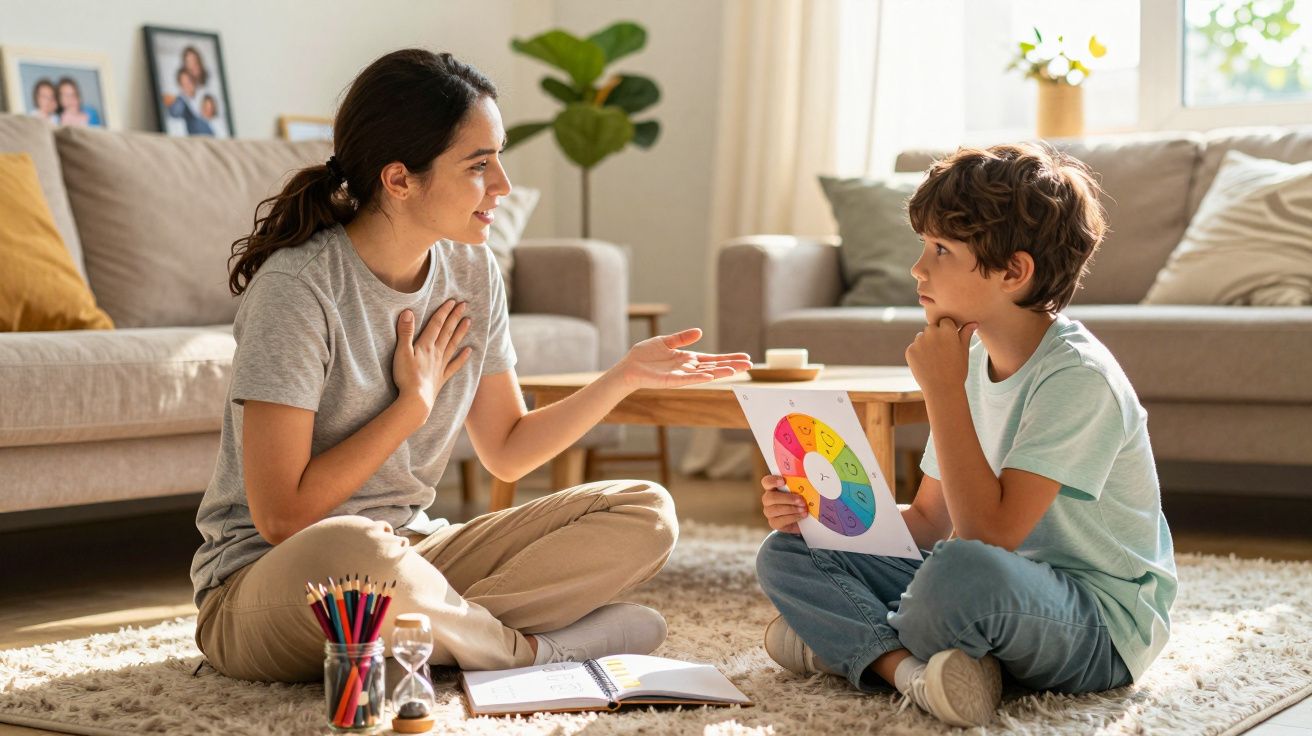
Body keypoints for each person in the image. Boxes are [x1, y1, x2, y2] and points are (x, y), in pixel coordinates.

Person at [190, 48, 752, 683]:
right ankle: (531, 652)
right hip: (270, 582)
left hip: (414, 557)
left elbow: (508, 450)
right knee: (354, 549)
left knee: (644, 510)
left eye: (500, 157)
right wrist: (412, 407)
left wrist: (622, 378)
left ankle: (440, 633)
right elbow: (282, 516)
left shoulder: (470, 270)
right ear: (399, 179)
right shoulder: (298, 289)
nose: (504, 186)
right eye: (479, 165)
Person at [754, 142, 1176, 727]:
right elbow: (929, 523)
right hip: (994, 588)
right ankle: (908, 671)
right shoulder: (973, 358)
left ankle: (843, 645)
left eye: (941, 249)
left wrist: (942, 392)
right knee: (788, 553)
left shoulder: (1078, 378)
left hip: (1096, 627)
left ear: (1014, 271)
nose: (918, 268)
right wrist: (822, 518)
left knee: (959, 573)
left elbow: (988, 536)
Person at [166, 69, 213, 136]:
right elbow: (175, 112)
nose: (187, 86)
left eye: (189, 82)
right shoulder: (181, 102)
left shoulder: (204, 94)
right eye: (184, 84)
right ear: (181, 86)